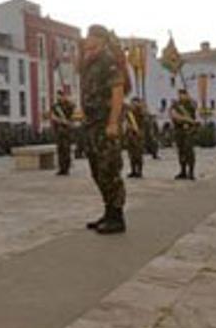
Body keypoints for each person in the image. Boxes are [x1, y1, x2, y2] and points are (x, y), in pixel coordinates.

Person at [80, 25, 130, 235]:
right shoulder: (90, 62)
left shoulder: (108, 61)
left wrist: (113, 122)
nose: (86, 39)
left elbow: (117, 92)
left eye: (90, 36)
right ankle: (108, 212)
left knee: (109, 169)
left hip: (105, 123)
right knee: (97, 170)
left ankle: (117, 217)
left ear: (99, 39)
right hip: (92, 124)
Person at [170, 89, 198, 180]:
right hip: (179, 130)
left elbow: (195, 106)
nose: (181, 96)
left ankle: (191, 172)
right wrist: (186, 119)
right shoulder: (176, 104)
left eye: (183, 94)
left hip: (189, 131)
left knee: (189, 151)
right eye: (180, 95)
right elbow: (173, 115)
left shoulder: (191, 104)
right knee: (181, 150)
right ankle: (183, 171)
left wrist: (190, 98)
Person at [50, 89, 76, 175]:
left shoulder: (68, 105)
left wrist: (68, 100)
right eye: (58, 95)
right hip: (58, 130)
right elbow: (53, 116)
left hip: (67, 131)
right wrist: (58, 120)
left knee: (66, 149)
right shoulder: (55, 106)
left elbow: (72, 109)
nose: (59, 97)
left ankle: (66, 168)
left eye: (60, 95)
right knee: (60, 149)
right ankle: (61, 168)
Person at [125, 97, 147, 178]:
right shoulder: (129, 113)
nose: (133, 105)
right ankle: (133, 170)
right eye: (132, 103)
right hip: (130, 135)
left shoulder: (141, 112)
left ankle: (139, 171)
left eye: (135, 103)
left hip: (138, 135)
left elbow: (144, 121)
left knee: (138, 153)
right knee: (131, 153)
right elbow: (127, 122)